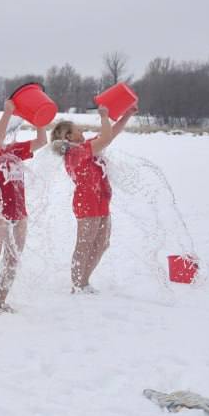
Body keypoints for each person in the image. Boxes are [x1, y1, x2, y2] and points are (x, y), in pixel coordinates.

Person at [51, 104, 135, 293]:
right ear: (68, 137)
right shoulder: (75, 153)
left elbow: (110, 135)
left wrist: (127, 114)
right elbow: (105, 138)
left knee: (102, 243)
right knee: (85, 243)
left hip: (101, 199)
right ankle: (78, 284)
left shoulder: (84, 147)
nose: (81, 132)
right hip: (86, 201)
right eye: (77, 130)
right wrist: (104, 116)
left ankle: (84, 281)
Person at [0, 102, 49, 315]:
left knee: (13, 258)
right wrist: (8, 112)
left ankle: (1, 299)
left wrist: (40, 120)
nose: (0, 129)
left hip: (19, 212)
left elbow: (42, 140)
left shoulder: (12, 151)